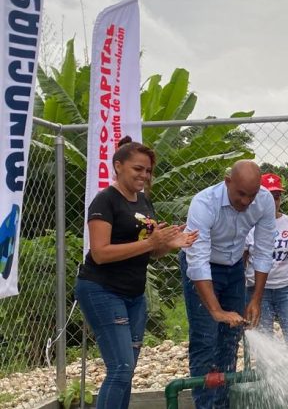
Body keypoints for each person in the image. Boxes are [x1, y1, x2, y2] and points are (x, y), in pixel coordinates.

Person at [75, 137, 197, 409]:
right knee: (120, 367)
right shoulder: (105, 201)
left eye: (148, 170)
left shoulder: (143, 201)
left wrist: (166, 244)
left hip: (134, 295)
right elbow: (100, 253)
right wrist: (151, 243)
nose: (144, 175)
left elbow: (150, 252)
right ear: (118, 166)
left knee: (126, 370)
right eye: (138, 169)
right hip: (101, 290)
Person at [180, 160, 276, 409]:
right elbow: (198, 262)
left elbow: (264, 251)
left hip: (234, 266)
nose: (246, 201)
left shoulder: (264, 201)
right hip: (204, 266)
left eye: (251, 195)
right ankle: (205, 405)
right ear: (228, 182)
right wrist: (215, 311)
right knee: (205, 338)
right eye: (241, 194)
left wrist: (255, 299)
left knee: (230, 338)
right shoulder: (204, 203)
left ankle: (222, 403)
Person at [245, 173, 288, 351]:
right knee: (265, 344)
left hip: (286, 289)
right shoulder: (249, 225)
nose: (273, 201)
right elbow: (242, 263)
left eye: (277, 196)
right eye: (268, 196)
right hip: (258, 291)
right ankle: (266, 378)